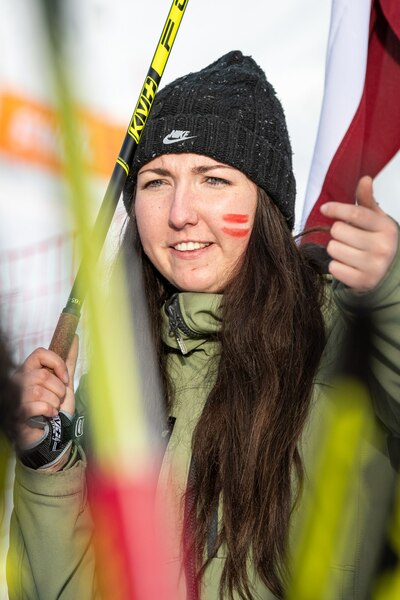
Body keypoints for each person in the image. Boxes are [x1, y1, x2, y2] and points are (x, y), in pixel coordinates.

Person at [7, 50, 400, 600]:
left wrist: (392, 293)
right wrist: (49, 460)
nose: (179, 213)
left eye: (213, 179)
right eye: (156, 182)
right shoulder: (119, 383)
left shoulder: (340, 340)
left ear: (265, 204)